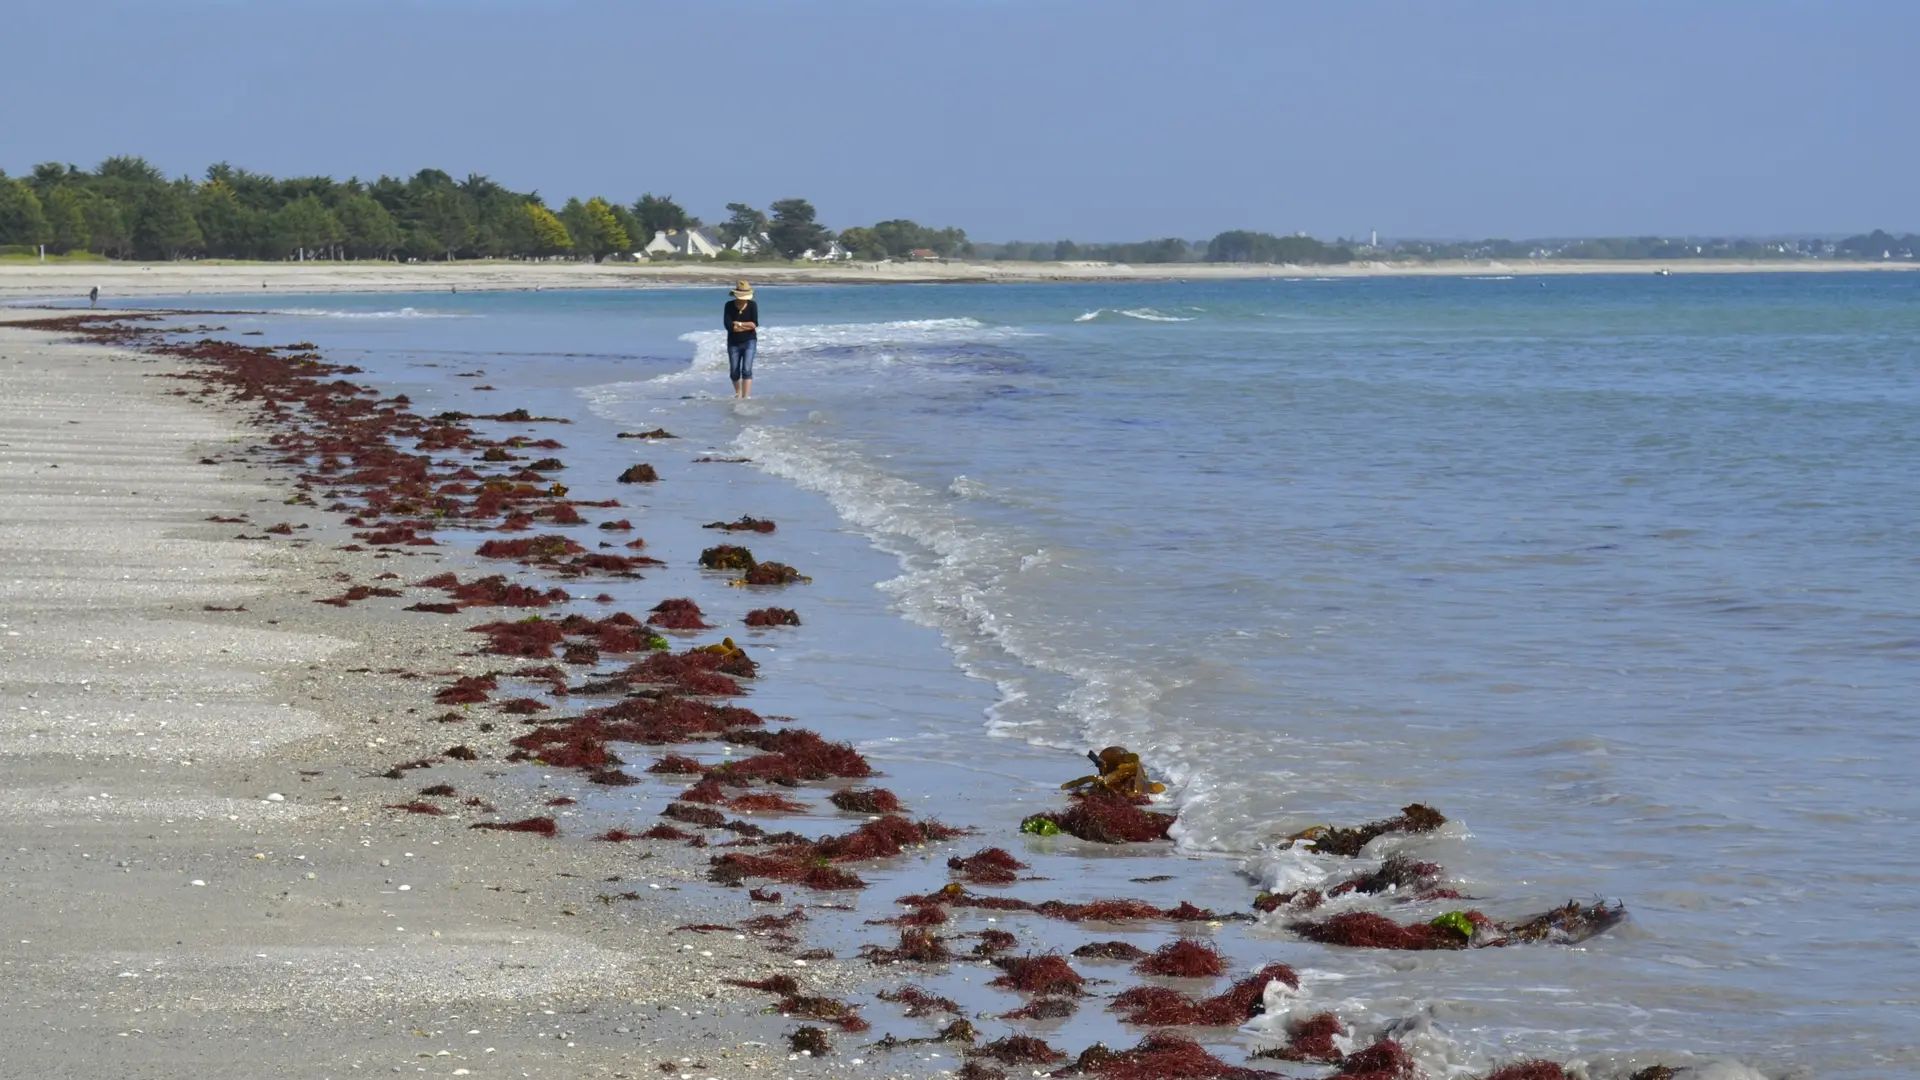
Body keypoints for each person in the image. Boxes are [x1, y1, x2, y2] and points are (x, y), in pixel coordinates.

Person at [724, 280, 758, 399]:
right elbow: (728, 326)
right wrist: (745, 326)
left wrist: (738, 324)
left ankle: (746, 396)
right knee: (734, 372)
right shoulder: (728, 305)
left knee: (747, 370)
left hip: (750, 341)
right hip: (733, 342)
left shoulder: (752, 305)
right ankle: (738, 393)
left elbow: (754, 324)